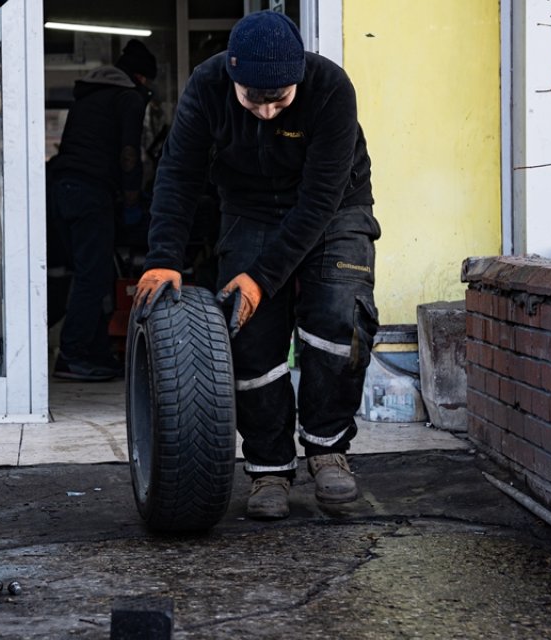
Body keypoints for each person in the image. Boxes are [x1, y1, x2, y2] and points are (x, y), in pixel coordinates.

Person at [133, 11, 379, 519]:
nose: (266, 113)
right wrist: (164, 259)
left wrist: (262, 278)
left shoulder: (331, 88)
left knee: (337, 318)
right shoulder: (207, 86)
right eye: (253, 100)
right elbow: (179, 174)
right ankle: (269, 469)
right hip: (249, 209)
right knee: (247, 334)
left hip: (335, 210)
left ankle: (327, 449)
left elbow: (317, 203)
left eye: (279, 100)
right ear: (234, 78)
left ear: (298, 79)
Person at [48, 39, 157, 381]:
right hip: (90, 192)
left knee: (89, 273)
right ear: (141, 78)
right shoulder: (128, 96)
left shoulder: (90, 93)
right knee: (93, 276)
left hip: (62, 188)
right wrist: (132, 200)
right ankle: (74, 354)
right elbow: (128, 152)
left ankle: (95, 352)